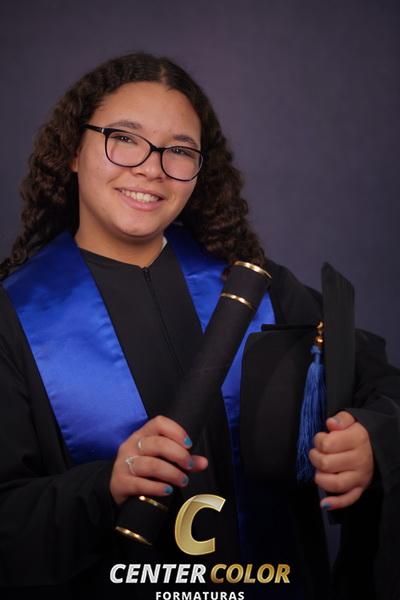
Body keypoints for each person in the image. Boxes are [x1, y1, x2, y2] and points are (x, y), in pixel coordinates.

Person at [0, 52, 398, 600]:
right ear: (73, 150)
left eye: (180, 151)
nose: (152, 168)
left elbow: (383, 386)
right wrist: (105, 486)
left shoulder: (255, 287)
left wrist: (370, 440)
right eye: (125, 138)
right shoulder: (16, 317)